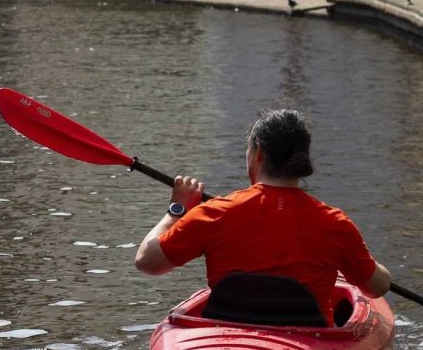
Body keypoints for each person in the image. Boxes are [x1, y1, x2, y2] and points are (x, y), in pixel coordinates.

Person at [133, 109, 392, 324]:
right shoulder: (335, 224)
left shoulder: (215, 213)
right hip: (309, 340)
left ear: (258, 154)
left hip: (227, 333)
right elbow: (376, 288)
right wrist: (366, 261)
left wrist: (177, 209)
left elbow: (147, 262)